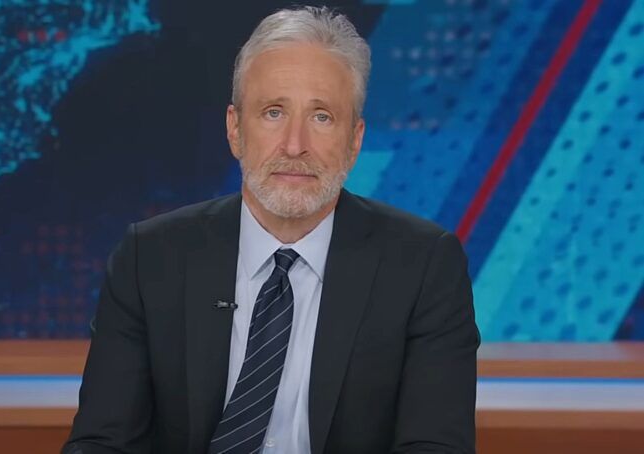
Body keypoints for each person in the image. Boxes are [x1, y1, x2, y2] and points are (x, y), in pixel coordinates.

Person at [63, 6, 480, 454]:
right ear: (235, 129)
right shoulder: (149, 259)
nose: (295, 145)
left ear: (355, 140)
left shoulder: (424, 267)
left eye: (322, 116)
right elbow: (103, 443)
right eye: (273, 112)